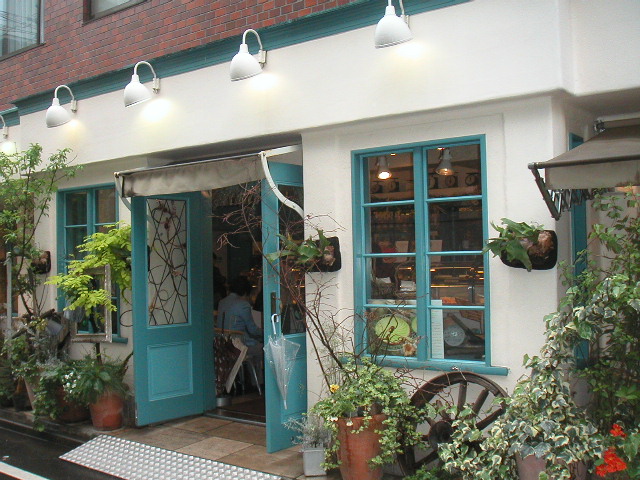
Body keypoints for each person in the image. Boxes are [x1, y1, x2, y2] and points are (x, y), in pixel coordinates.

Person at [217, 276, 263, 359]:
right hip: (238, 345)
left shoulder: (222, 302)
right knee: (264, 349)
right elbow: (253, 330)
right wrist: (265, 333)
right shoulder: (243, 305)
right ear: (245, 293)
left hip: (223, 344)